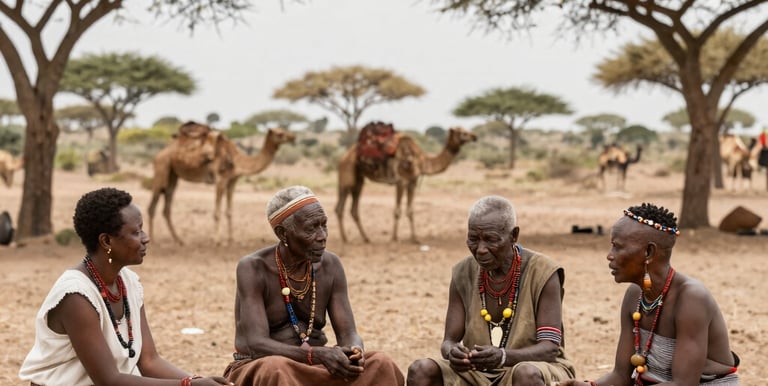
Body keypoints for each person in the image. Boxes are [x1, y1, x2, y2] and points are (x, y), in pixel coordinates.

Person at [19, 187, 231, 386]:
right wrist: (189, 385)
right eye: (136, 232)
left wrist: (196, 380)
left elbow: (148, 361)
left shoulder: (128, 283)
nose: (145, 239)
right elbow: (109, 380)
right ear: (106, 241)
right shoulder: (76, 296)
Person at [224, 185, 404, 385]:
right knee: (276, 369)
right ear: (283, 234)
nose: (322, 236)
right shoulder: (253, 268)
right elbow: (256, 344)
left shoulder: (330, 266)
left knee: (380, 363)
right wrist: (315, 355)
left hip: (317, 367)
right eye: (311, 228)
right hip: (261, 366)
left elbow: (348, 333)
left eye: (324, 225)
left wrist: (354, 352)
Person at [556, 203, 739, 386]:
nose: (610, 256)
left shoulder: (691, 299)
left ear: (648, 252)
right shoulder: (635, 296)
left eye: (618, 247)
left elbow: (683, 384)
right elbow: (621, 375)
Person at [407, 195, 575, 386]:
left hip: (537, 367)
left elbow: (549, 349)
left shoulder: (543, 272)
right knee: (421, 370)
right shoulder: (463, 272)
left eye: (490, 239)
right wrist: (453, 352)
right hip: (478, 372)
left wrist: (503, 357)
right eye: (473, 239)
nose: (480, 249)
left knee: (526, 373)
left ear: (514, 236)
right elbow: (449, 341)